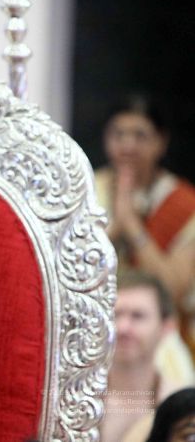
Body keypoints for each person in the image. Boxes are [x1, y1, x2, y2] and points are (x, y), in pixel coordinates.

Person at [95, 94, 195, 302]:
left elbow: (172, 291)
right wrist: (116, 228)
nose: (128, 146)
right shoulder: (87, 190)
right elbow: (70, 275)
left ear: (161, 142)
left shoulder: (185, 203)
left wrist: (132, 225)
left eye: (140, 136)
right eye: (118, 134)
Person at [103, 271, 186, 441]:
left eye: (137, 316)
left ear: (167, 327)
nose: (123, 327)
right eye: (116, 314)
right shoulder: (76, 400)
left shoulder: (181, 404)